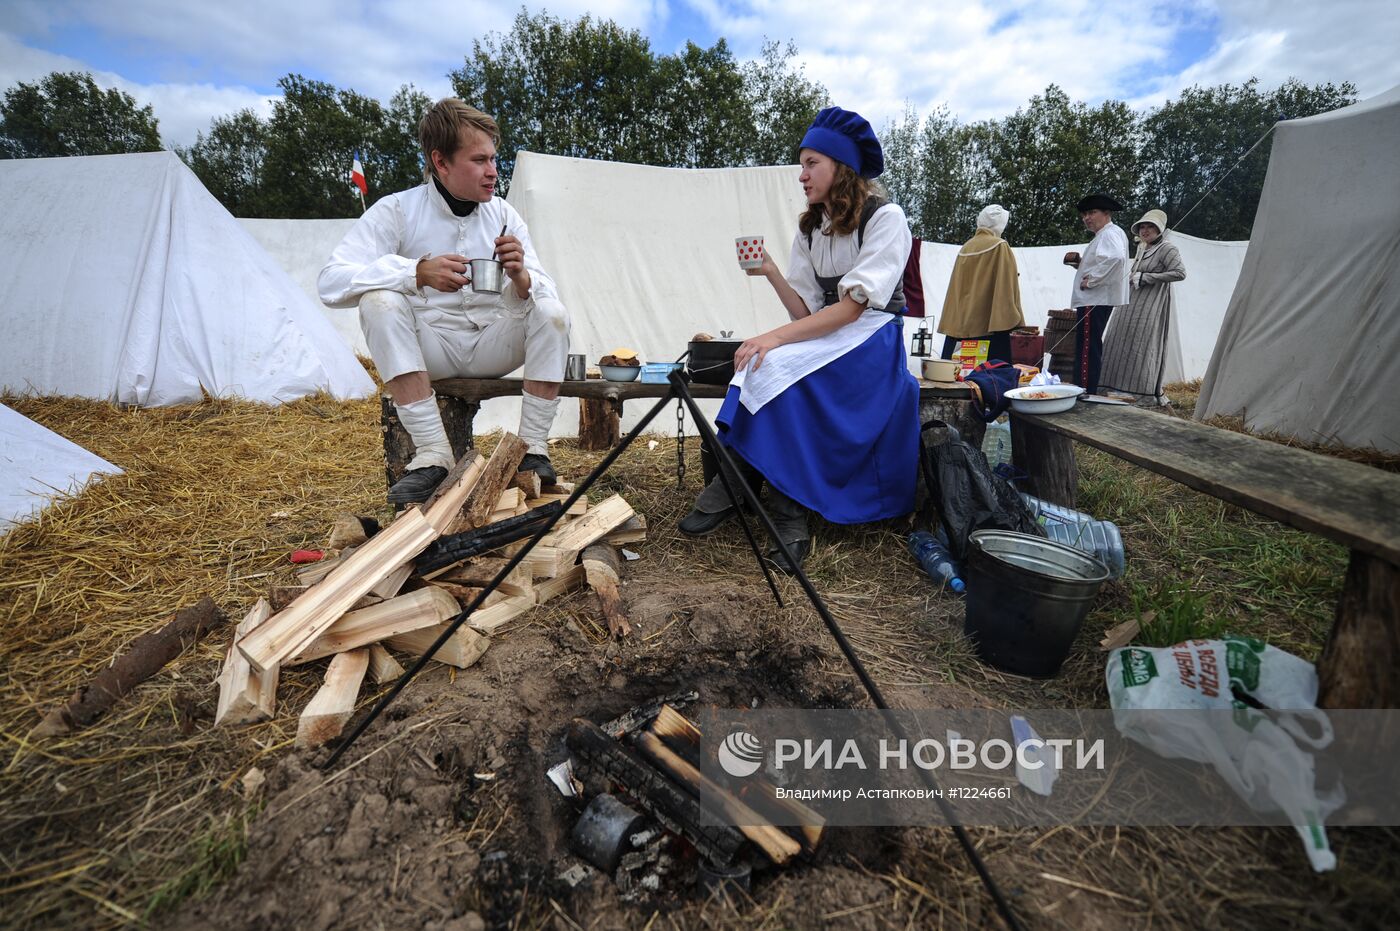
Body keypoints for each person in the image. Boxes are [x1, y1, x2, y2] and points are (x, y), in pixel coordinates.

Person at [677, 106, 919, 574]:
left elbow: (852, 308)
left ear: (841, 167)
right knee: (760, 363)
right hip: (831, 332)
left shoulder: (886, 218)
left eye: (812, 164)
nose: (801, 175)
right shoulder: (811, 229)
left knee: (782, 364)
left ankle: (779, 505)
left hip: (872, 338)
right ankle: (740, 481)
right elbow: (807, 313)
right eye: (801, 164)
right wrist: (769, 271)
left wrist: (773, 338)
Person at [318, 99, 569, 504]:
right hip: (430, 348)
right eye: (479, 160)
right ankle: (433, 453)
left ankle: (532, 449)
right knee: (378, 301)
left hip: (493, 344)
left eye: (494, 159)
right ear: (441, 161)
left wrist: (521, 276)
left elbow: (543, 298)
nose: (493, 172)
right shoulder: (398, 211)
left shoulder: (504, 214)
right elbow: (331, 283)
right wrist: (415, 272)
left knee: (552, 312)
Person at [1100, 209, 1186, 406]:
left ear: (1159, 229)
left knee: (1141, 345)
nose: (1145, 230)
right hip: (1129, 302)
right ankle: (1112, 388)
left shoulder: (1167, 249)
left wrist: (1146, 277)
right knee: (1118, 340)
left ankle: (1140, 392)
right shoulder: (1142, 248)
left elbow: (1180, 273)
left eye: (1150, 226)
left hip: (1150, 305)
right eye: (1143, 227)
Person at [936, 204, 1025, 362]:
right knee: (990, 381)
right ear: (999, 224)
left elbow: (956, 292)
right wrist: (1014, 317)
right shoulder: (1000, 246)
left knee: (957, 380)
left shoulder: (966, 247)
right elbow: (1006, 288)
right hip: (989, 331)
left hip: (959, 331)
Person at [1064, 193, 1129, 394]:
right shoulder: (1105, 234)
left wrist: (1091, 280)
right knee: (1088, 345)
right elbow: (1107, 261)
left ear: (1106, 213)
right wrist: (1082, 266)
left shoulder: (1109, 233)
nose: (1087, 218)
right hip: (1095, 298)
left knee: (1087, 348)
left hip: (1095, 299)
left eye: (1092, 212)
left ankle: (1083, 390)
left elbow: (1116, 259)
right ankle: (1084, 388)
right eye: (1084, 214)